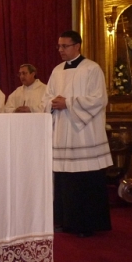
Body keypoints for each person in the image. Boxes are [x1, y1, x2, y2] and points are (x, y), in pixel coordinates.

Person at [42, 31, 112, 237]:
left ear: (77, 46)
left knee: (84, 178)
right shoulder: (56, 71)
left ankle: (86, 223)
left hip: (84, 133)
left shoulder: (92, 69)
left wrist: (69, 103)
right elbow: (46, 97)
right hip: (63, 130)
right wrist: (52, 103)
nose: (61, 50)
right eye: (59, 46)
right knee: (64, 179)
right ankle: (65, 221)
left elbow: (99, 99)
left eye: (65, 46)